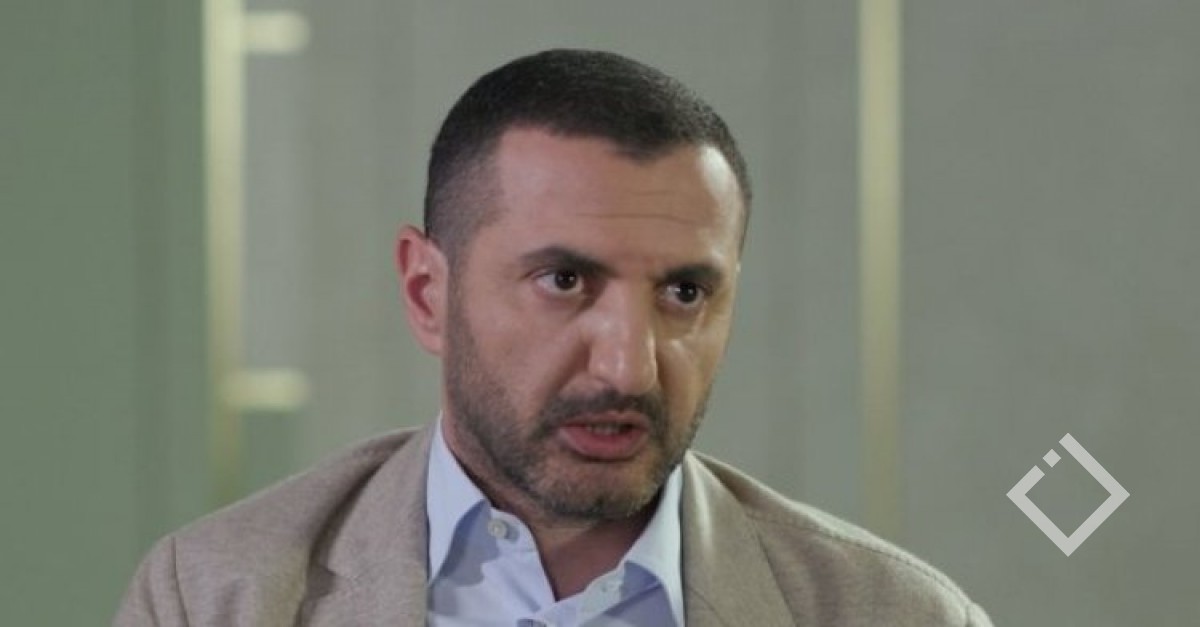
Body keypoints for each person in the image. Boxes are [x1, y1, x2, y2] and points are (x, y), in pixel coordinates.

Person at [117, 48, 991, 626]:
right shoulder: (216, 597)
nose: (627, 364)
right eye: (565, 281)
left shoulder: (896, 614)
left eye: (684, 292)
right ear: (427, 292)